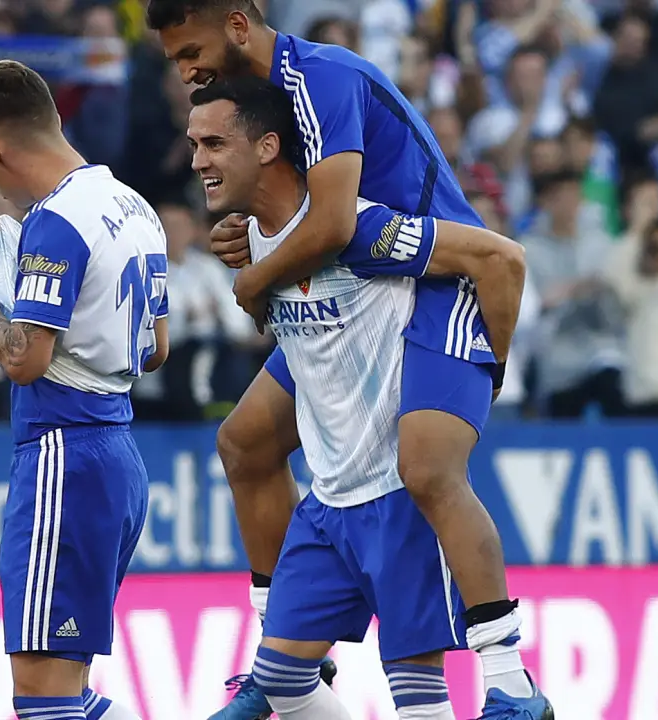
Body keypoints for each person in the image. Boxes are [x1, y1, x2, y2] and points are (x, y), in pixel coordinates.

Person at [145, 2, 545, 719]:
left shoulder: (319, 78)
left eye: (190, 51)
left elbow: (332, 224)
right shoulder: (266, 99)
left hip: (434, 284)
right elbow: (301, 211)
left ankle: (510, 679)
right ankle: (279, 656)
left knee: (425, 469)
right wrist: (254, 232)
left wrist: (256, 278)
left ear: (237, 26)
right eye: (175, 60)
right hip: (350, 289)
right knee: (244, 443)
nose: (185, 71)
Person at [0, 59, 167, 720]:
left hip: (65, 455)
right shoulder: (134, 206)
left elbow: (23, 360)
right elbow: (156, 348)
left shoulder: (56, 221)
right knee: (69, 689)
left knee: (43, 697)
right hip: (117, 454)